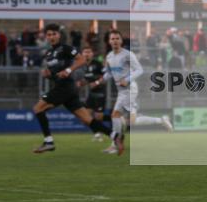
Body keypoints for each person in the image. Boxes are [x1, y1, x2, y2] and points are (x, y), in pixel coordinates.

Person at [31, 23, 119, 154]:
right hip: (66, 89)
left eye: (54, 34)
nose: (51, 37)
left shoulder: (65, 48)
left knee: (38, 108)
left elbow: (82, 59)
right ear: (46, 36)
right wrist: (48, 74)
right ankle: (115, 136)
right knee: (87, 119)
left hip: (65, 87)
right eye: (49, 34)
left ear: (59, 35)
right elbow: (55, 73)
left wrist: (68, 69)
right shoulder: (49, 53)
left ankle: (48, 142)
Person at [101, 30, 172, 155]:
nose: (115, 41)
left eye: (117, 38)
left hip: (130, 88)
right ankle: (161, 120)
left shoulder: (128, 54)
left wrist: (127, 79)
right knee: (132, 121)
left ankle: (115, 144)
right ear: (109, 41)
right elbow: (109, 73)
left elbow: (139, 70)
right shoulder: (109, 57)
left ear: (121, 41)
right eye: (112, 39)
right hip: (121, 91)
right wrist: (98, 81)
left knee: (115, 115)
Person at [79, 46, 108, 141]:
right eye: (85, 52)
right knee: (85, 116)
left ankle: (115, 119)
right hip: (91, 94)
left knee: (98, 117)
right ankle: (97, 133)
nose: (87, 54)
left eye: (89, 52)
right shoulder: (82, 65)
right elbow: (86, 79)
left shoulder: (98, 64)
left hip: (100, 92)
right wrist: (80, 84)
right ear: (82, 54)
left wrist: (97, 83)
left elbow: (106, 77)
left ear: (92, 54)